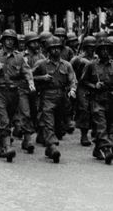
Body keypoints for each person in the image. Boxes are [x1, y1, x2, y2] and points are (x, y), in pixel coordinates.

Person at [0, 29, 35, 162]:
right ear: (3, 41)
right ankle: (7, 147)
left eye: (12, 39)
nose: (9, 41)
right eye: (7, 39)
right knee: (4, 120)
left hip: (14, 92)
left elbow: (27, 71)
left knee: (10, 120)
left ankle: (1, 146)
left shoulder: (19, 57)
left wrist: (30, 83)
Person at [31, 37, 77, 163]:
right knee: (48, 122)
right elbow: (29, 76)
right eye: (53, 48)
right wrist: (41, 78)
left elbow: (73, 79)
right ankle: (52, 146)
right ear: (48, 50)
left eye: (58, 48)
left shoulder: (67, 65)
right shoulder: (41, 64)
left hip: (62, 97)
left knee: (59, 125)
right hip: (47, 96)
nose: (56, 51)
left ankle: (49, 146)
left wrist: (72, 89)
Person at [79, 36, 113, 164]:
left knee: (110, 126)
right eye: (102, 49)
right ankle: (106, 149)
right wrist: (94, 86)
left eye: (107, 49)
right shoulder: (91, 65)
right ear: (98, 52)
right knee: (101, 124)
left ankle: (98, 148)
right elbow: (83, 82)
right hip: (97, 99)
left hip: (110, 99)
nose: (105, 52)